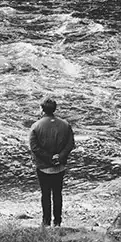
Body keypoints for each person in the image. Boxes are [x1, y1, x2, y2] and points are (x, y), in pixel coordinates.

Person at [28, 96, 75, 227]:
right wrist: (59, 157)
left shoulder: (36, 126)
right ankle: (58, 221)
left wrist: (49, 158)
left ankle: (46, 221)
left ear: (42, 110)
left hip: (43, 166)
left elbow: (35, 148)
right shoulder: (65, 124)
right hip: (60, 166)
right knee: (58, 194)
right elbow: (70, 144)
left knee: (45, 194)